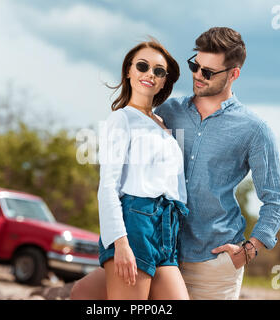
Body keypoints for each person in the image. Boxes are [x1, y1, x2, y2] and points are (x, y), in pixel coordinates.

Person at [71, 27, 280, 300]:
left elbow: (276, 199)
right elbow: (120, 178)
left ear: (234, 74)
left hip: (212, 260)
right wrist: (119, 239)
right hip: (158, 243)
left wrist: (249, 249)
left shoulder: (254, 129)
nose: (197, 75)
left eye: (208, 72)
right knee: (83, 292)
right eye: (195, 66)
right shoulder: (168, 113)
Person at [96, 38, 190, 299]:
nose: (150, 74)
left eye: (158, 71)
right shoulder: (121, 118)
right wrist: (120, 242)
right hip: (135, 221)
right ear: (129, 71)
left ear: (163, 81)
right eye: (142, 66)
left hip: (167, 226)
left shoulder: (162, 123)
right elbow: (107, 187)